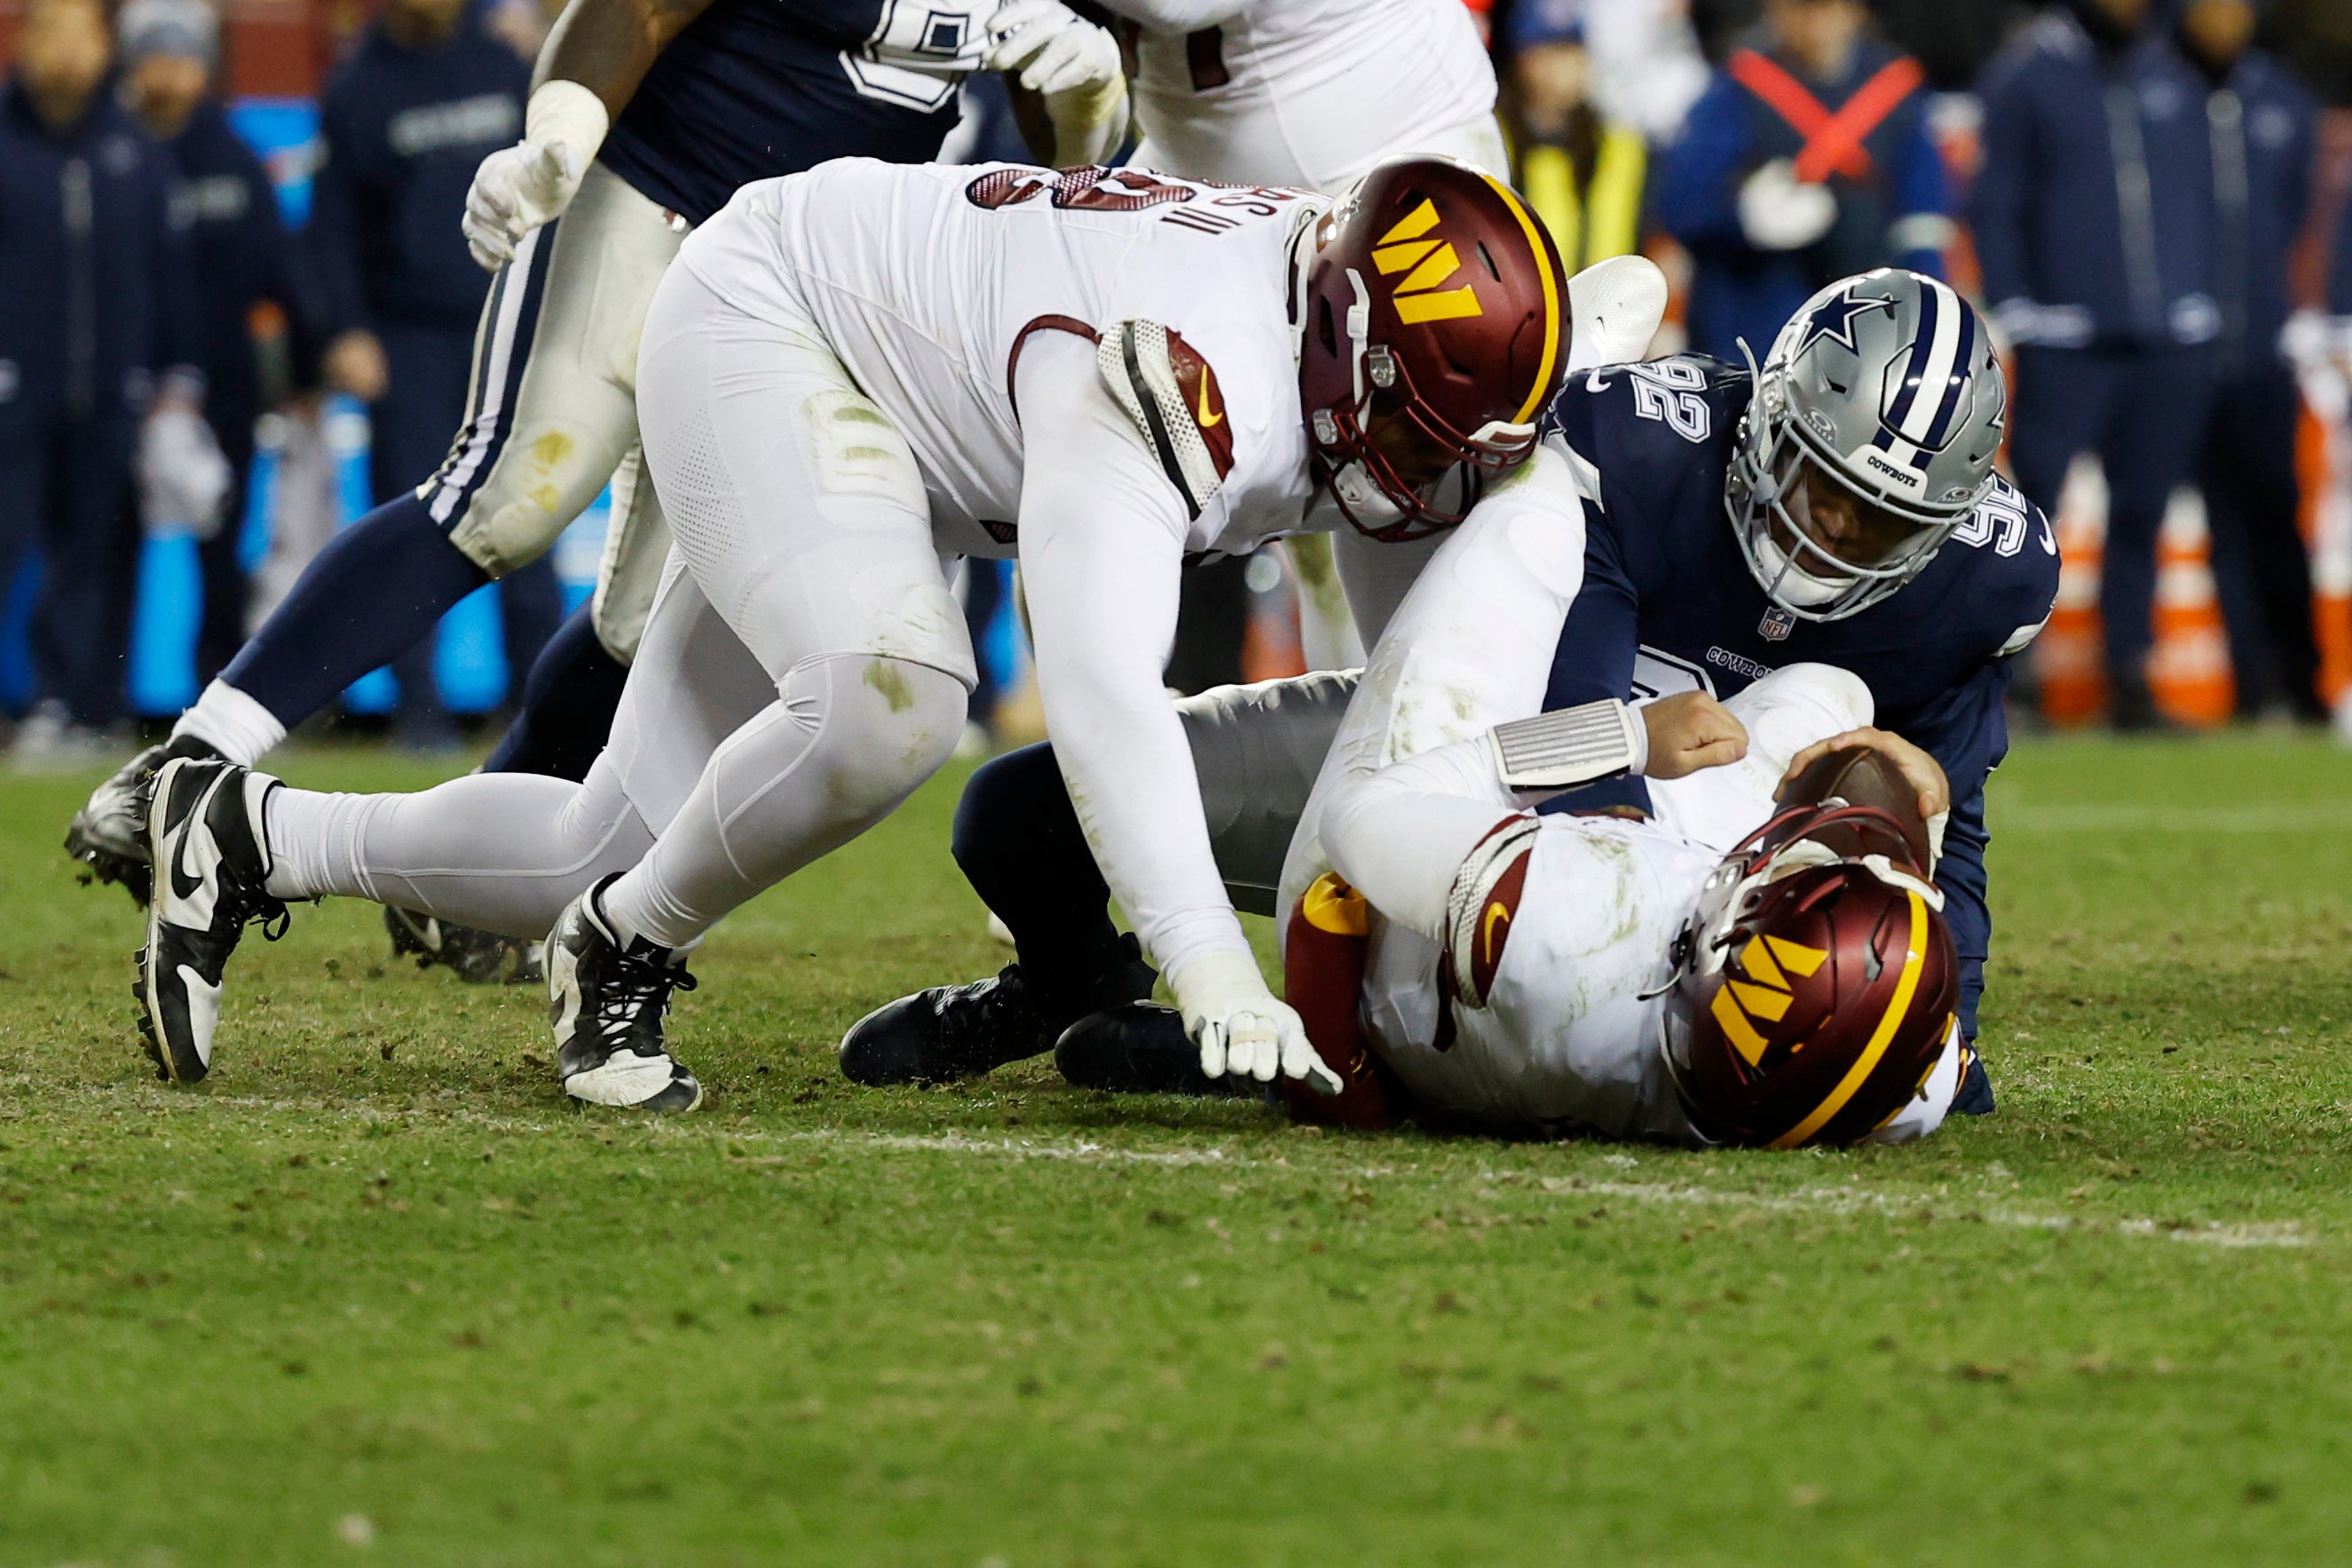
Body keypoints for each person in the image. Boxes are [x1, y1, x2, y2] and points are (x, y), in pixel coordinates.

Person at [128, 156, 1573, 1111]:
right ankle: (618, 956)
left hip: (882, 387)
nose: (1412, 472)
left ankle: (249, 835)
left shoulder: (1334, 287)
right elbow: (1096, 694)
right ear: (1337, 342)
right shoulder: (1180, 380)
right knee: (897, 697)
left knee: (601, 835)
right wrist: (1204, 958)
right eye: (1405, 425)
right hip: (782, 329)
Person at [848, 270, 2054, 1123]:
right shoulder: (1642, 445)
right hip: (1471, 752)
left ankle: (1286, 1051)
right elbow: (1579, 768)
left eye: (1882, 517)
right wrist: (1597, 860)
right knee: (1020, 810)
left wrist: (1944, 1017)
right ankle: (1073, 981)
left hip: (1693, 876)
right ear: (1765, 418)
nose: (1833, 529)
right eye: (1819, 481)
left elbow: (1944, 819)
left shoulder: (1970, 590)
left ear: (1943, 521)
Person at [68, 0, 1125, 919]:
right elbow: (641, 7)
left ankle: (471, 865)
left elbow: (1061, 164)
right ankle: (188, 764)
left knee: (658, 614)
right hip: (657, 196)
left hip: (803, 288)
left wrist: (1087, 99)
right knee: (508, 495)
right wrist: (560, 142)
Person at [1262, 445, 1965, 1145]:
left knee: (1540, 501)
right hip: (1592, 980)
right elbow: (1885, 1014)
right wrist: (1916, 835)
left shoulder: (1570, 923)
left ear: (1724, 932)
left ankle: (1340, 571)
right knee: (1832, 698)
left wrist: (1623, 737)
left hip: (1413, 901)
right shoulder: (1902, 1096)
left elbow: (1357, 820)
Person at [305, 0, 562, 750]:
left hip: (509, 318)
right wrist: (345, 328)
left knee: (531, 512)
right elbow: (333, 226)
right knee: (417, 520)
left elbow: (559, 188)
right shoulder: (357, 89)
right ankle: (419, 710)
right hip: (408, 333)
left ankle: (539, 706)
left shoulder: (503, 65)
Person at [1970, 0, 2220, 730]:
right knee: (2029, 510)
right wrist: (2019, 305)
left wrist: (2198, 292)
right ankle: (2009, 677)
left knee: (2143, 510)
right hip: (2066, 333)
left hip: (2168, 334)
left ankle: (2130, 676)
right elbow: (1996, 197)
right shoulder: (2028, 76)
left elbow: (2203, 198)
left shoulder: (2174, 67)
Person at [0, 0, 202, 762]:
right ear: (22, 43)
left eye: (82, 33)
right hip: (12, 390)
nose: (68, 53)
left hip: (111, 391)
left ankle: (72, 705)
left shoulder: (132, 150)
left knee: (93, 555)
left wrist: (175, 376)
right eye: (50, 31)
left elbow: (166, 271)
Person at [117, 0, 318, 689]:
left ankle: (219, 696)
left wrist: (303, 367)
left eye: (181, 59)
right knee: (106, 543)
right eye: (154, 57)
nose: (167, 75)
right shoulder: (108, 154)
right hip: (122, 382)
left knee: (223, 545)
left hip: (224, 382)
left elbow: (280, 270)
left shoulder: (236, 161)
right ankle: (89, 698)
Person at [1654, 0, 1952, 363]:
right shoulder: (1739, 88)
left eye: (1827, 8)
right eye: (1801, 8)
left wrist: (1927, 316)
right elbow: (1679, 204)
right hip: (1756, 321)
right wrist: (1743, 215)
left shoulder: (1896, 89)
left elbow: (1923, 217)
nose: (1816, 22)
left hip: (1867, 324)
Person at [2177, 0, 2324, 724]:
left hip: (2264, 347)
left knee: (2276, 513)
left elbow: (2299, 215)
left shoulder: (2285, 101)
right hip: (2189, 349)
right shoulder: (2161, 94)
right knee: (2223, 528)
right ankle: (2252, 687)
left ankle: (2305, 680)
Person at [1504, 0, 1652, 276]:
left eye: (1572, 50)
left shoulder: (1616, 144)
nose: (1563, 66)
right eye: (1550, 51)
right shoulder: (1497, 137)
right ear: (1523, 59)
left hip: (1604, 308)